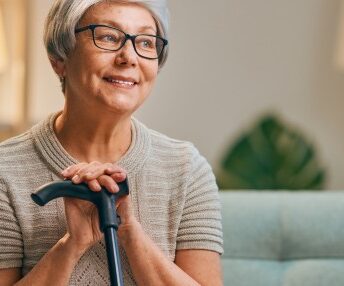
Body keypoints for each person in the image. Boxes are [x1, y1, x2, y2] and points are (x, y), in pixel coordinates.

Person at [0, 0, 223, 285]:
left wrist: (128, 230)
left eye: (145, 42)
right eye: (107, 36)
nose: (128, 56)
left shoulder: (186, 168)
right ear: (59, 59)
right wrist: (72, 244)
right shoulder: (5, 169)